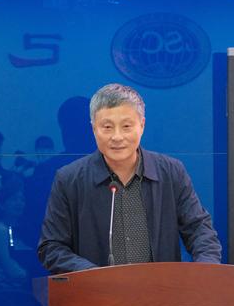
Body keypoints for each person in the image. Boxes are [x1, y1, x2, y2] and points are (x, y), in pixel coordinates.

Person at [37, 83, 222, 274]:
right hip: (96, 291)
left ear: (142, 125)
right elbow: (52, 247)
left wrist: (205, 271)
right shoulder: (69, 179)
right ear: (93, 129)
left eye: (126, 126)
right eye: (107, 127)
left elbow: (199, 230)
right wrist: (93, 276)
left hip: (161, 290)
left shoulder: (171, 172)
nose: (117, 137)